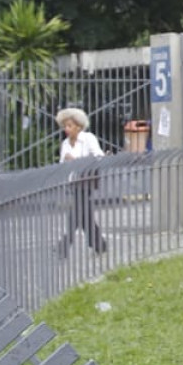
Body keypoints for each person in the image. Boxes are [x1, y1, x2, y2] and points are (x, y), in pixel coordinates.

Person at [55, 107, 106, 257]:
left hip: (86, 182)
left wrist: (77, 161)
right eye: (65, 126)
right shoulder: (65, 144)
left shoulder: (88, 139)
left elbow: (98, 156)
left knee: (75, 215)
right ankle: (100, 244)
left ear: (78, 126)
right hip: (74, 183)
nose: (66, 129)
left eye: (69, 125)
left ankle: (63, 246)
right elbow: (62, 163)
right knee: (85, 217)